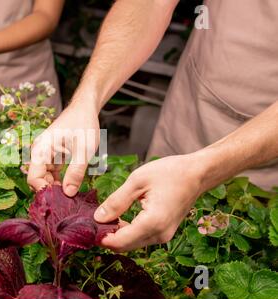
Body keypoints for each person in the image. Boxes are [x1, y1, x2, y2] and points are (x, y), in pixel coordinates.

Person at [27, 0, 278, 253]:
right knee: (149, 238)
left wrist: (201, 172)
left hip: (266, 164)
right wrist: (86, 99)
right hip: (194, 103)